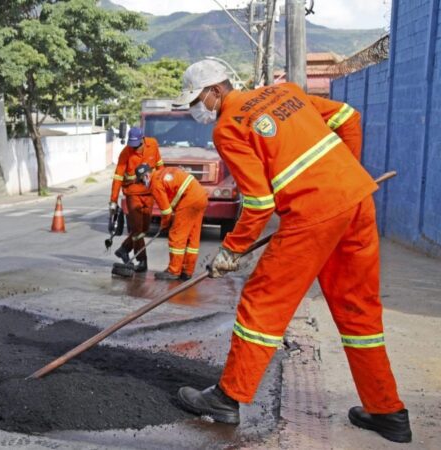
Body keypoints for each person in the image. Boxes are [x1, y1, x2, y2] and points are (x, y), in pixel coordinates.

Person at [171, 59, 411, 443]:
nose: (197, 109)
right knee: (358, 310)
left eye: (198, 100)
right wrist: (344, 174)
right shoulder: (286, 92)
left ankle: (227, 398)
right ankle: (387, 412)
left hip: (312, 214)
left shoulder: (229, 127)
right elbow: (348, 117)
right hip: (356, 202)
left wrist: (232, 250)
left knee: (263, 302)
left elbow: (259, 202)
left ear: (215, 90)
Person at [135, 164, 208, 281]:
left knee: (176, 235)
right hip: (201, 196)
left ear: (146, 176)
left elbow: (166, 211)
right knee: (192, 237)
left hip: (189, 199)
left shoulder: (155, 183)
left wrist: (164, 224)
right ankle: (187, 271)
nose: (143, 184)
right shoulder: (163, 172)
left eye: (141, 181)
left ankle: (174, 271)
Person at [110, 127, 163, 272]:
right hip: (133, 194)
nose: (134, 148)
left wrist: (161, 188)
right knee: (138, 229)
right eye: (131, 144)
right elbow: (118, 177)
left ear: (142, 140)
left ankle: (124, 249)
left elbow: (160, 166)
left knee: (144, 229)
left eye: (136, 145)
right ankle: (142, 260)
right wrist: (113, 201)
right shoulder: (126, 152)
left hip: (149, 193)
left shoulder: (153, 144)